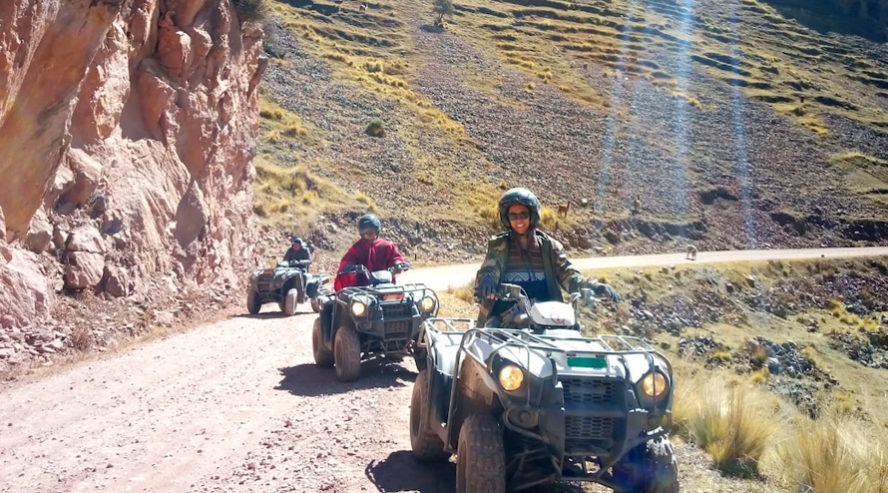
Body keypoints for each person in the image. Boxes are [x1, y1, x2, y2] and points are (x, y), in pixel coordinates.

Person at [475, 188, 621, 326]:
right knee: (486, 343)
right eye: (513, 215)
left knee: (571, 337)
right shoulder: (499, 246)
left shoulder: (549, 247)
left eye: (523, 215)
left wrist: (591, 286)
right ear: (507, 218)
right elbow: (490, 268)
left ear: (532, 215)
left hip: (546, 317)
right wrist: (487, 280)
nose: (518, 220)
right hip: (505, 316)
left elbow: (568, 275)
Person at [333, 213, 406, 291]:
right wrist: (349, 267)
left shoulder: (386, 246)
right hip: (362, 289)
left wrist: (398, 263)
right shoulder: (356, 248)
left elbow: (396, 257)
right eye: (367, 233)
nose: (370, 235)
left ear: (377, 231)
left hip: (385, 286)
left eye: (372, 232)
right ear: (362, 233)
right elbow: (347, 261)